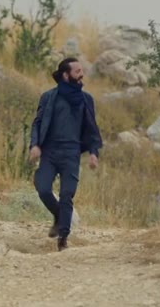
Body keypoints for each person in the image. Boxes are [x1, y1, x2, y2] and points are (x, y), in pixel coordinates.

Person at [28, 57, 103, 251]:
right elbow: (37, 123)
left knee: (66, 195)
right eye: (77, 71)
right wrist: (34, 145)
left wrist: (93, 153)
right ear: (66, 75)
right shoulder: (48, 97)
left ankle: (63, 238)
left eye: (81, 70)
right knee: (43, 188)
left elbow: (92, 128)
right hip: (50, 152)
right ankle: (59, 215)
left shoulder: (86, 100)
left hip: (71, 153)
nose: (82, 75)